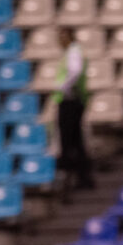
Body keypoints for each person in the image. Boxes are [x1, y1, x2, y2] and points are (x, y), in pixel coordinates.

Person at [54, 27, 93, 191]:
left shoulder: (73, 51)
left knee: (69, 141)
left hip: (71, 101)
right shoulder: (72, 51)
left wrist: (63, 88)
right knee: (76, 140)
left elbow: (75, 72)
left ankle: (72, 177)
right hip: (74, 100)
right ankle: (82, 177)